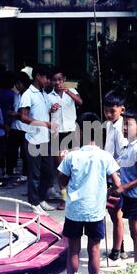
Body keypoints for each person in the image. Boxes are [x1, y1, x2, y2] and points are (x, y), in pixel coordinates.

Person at [58, 112, 121, 274]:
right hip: (95, 210)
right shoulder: (105, 156)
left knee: (73, 250)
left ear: (79, 132)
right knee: (94, 249)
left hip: (74, 211)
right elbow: (117, 184)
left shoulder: (71, 156)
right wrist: (106, 194)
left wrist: (62, 160)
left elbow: (62, 182)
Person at [19, 64, 58, 215]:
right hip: (33, 140)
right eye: (46, 78)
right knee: (34, 174)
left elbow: (42, 110)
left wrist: (51, 110)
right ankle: (34, 203)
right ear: (38, 76)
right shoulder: (28, 94)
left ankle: (41, 199)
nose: (49, 81)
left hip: (44, 138)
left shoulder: (43, 93)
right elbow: (23, 117)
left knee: (48, 172)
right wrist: (46, 124)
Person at [116, 108, 137, 264]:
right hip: (129, 195)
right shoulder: (128, 145)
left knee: (136, 233)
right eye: (123, 124)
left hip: (136, 196)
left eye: (128, 125)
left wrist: (125, 187)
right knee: (133, 231)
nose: (125, 128)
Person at [48, 67, 83, 210]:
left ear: (64, 80)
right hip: (57, 133)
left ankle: (75, 197)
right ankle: (64, 198)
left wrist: (67, 91)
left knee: (75, 166)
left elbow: (80, 102)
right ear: (51, 81)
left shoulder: (72, 92)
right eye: (55, 80)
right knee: (61, 169)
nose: (57, 83)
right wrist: (51, 110)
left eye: (60, 80)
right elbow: (44, 114)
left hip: (71, 132)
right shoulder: (48, 96)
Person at [102, 90, 129, 261]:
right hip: (109, 173)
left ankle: (117, 250)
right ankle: (121, 245)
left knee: (117, 213)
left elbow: (124, 156)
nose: (109, 114)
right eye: (106, 110)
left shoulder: (123, 128)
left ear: (122, 109)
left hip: (118, 175)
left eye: (112, 111)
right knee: (113, 213)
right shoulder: (107, 125)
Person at [5, 71, 31, 183]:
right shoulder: (17, 95)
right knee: (11, 150)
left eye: (19, 83)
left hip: (25, 128)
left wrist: (16, 114)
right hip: (15, 127)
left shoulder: (29, 96)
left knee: (25, 153)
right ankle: (10, 171)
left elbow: (28, 114)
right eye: (16, 84)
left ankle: (25, 173)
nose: (17, 86)